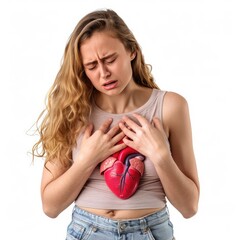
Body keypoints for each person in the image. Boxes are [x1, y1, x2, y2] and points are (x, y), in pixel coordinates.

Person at [32, 8, 200, 240]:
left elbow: (189, 207)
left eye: (110, 60)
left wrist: (161, 156)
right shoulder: (74, 111)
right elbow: (50, 207)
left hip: (151, 231)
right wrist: (86, 161)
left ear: (131, 51)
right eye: (91, 66)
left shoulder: (171, 107)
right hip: (87, 231)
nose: (104, 73)